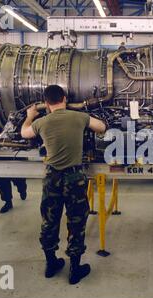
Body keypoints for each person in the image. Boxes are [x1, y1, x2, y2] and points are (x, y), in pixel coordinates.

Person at [21, 84, 106, 285]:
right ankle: (75, 269)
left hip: (52, 178)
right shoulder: (79, 118)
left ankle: (51, 263)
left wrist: (30, 115)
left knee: (49, 221)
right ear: (65, 98)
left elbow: (24, 133)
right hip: (74, 178)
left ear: (46, 103)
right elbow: (102, 127)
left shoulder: (41, 122)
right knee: (76, 222)